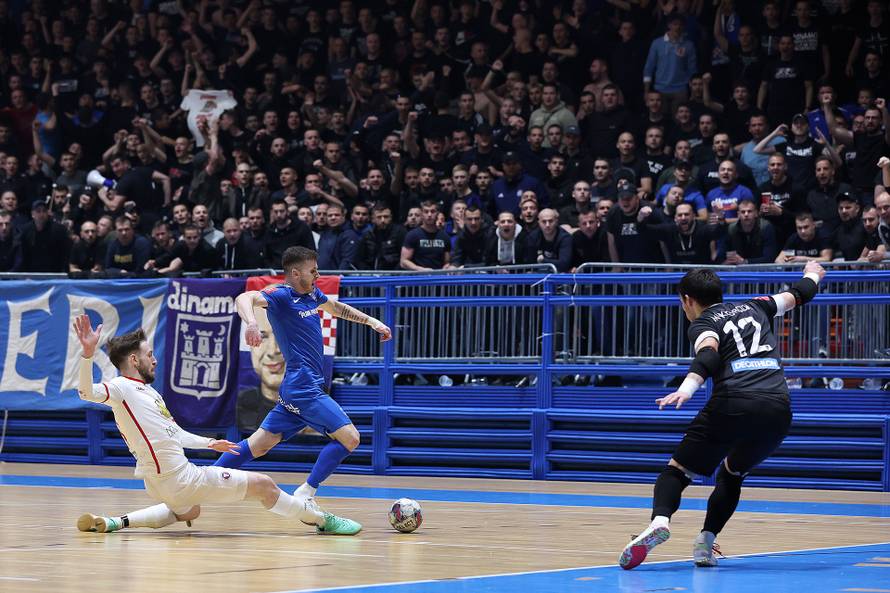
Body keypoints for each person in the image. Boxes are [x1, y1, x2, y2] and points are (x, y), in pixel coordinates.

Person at [619, 262, 826, 570]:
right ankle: (705, 544)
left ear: (687, 300)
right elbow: (800, 294)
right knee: (732, 473)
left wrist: (687, 388)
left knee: (676, 472)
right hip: (778, 408)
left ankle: (659, 522)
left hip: (734, 402)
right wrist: (813, 273)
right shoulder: (758, 306)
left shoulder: (703, 322)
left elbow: (708, 354)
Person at [71, 315, 357, 535]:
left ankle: (113, 523)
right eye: (149, 355)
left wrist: (208, 443)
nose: (155, 359)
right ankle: (323, 521)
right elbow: (87, 392)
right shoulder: (121, 387)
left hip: (157, 484)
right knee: (265, 486)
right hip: (180, 478)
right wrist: (87, 355)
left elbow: (174, 434)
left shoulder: (147, 392)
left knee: (189, 510)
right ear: (134, 359)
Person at [213, 246, 392, 533]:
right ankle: (306, 493)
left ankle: (204, 480)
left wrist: (372, 322)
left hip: (297, 389)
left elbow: (335, 308)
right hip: (304, 388)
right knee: (350, 438)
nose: (318, 274)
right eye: (313, 270)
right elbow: (243, 297)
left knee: (257, 446)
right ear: (295, 273)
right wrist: (250, 323)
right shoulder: (281, 296)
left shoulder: (312, 295)